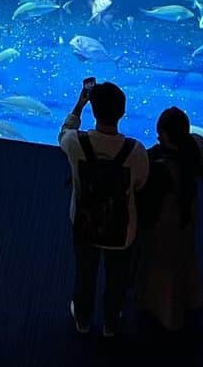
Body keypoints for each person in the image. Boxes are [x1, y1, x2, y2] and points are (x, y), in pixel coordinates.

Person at [59, 81, 149, 339]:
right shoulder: (136, 151)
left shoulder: (75, 142)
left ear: (94, 110)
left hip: (84, 222)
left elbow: (64, 131)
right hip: (122, 230)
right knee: (117, 275)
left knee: (84, 271)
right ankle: (111, 322)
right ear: (122, 113)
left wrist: (79, 105)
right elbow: (141, 184)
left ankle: (83, 319)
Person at [135, 108, 203, 336]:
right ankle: (192, 298)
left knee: (162, 262)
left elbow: (141, 197)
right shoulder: (196, 146)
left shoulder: (155, 161)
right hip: (188, 211)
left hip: (163, 220)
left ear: (163, 134)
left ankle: (168, 315)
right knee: (186, 251)